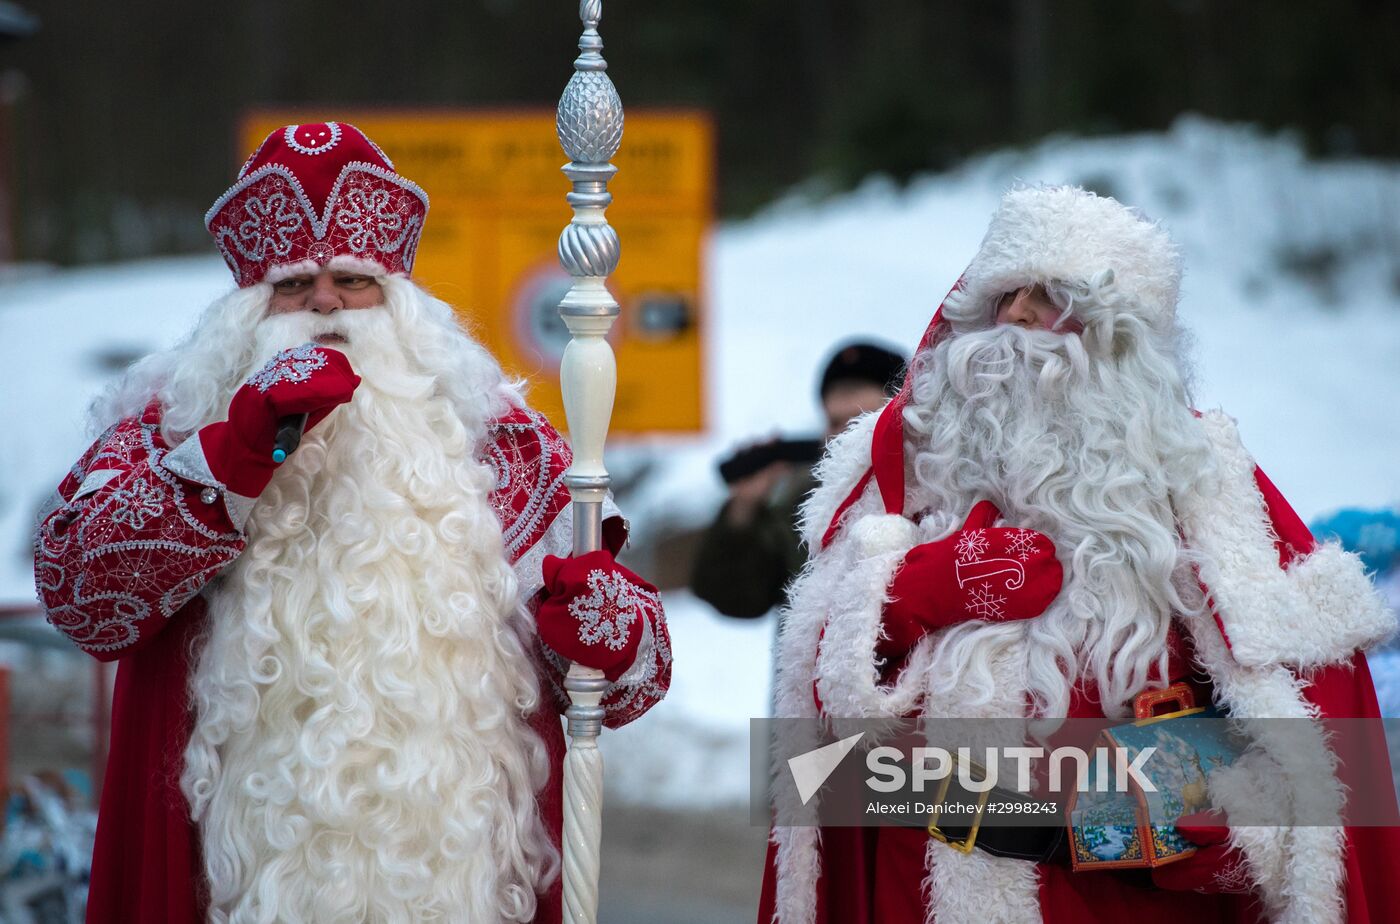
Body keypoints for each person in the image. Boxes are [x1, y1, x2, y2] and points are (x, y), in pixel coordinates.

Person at [32, 122, 671, 924]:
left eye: (354, 279)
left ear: (399, 299)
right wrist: (235, 453)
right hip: (230, 883)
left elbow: (634, 676)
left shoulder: (502, 446)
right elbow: (78, 594)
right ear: (245, 307)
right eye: (294, 284)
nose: (326, 302)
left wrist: (616, 635)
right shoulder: (168, 429)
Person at [758, 185, 1400, 922]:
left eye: (1053, 296)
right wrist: (909, 596)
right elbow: (817, 754)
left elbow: (1317, 765)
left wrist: (1102, 820)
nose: (1020, 316)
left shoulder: (1205, 488)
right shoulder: (910, 484)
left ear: (1119, 338)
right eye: (1006, 294)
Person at [690, 342, 904, 618]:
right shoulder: (805, 506)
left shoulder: (941, 496)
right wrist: (744, 508)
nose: (843, 436)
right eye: (834, 422)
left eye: (858, 420)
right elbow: (737, 599)